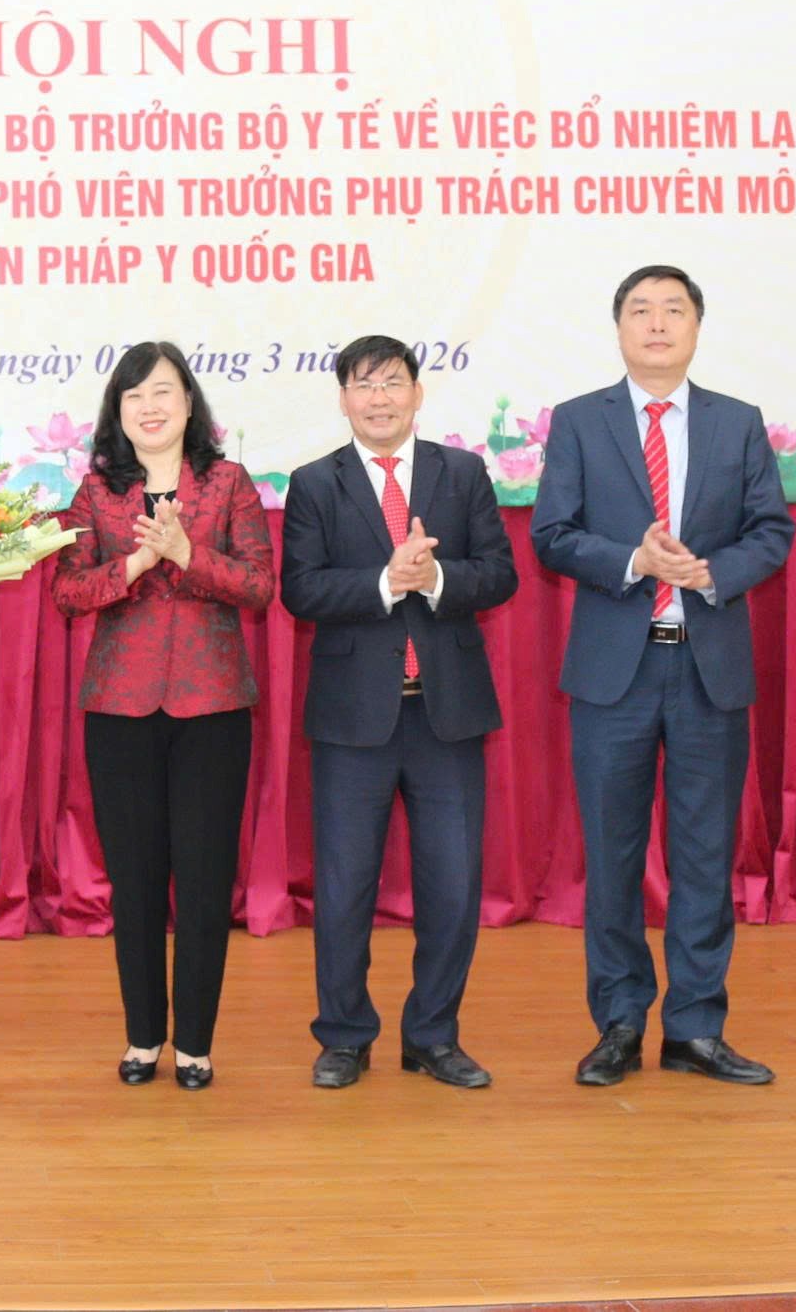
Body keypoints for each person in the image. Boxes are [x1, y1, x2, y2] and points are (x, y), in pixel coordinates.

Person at [529, 266, 796, 1087]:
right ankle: (618, 1023)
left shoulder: (736, 422)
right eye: (641, 310)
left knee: (705, 855)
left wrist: (710, 571)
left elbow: (772, 530)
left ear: (695, 327)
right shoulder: (579, 421)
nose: (656, 323)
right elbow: (551, 533)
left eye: (672, 310)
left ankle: (696, 1027)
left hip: (708, 667)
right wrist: (633, 561)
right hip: (615, 672)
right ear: (619, 328)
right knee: (612, 857)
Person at [281, 335, 516, 1091]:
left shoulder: (462, 473)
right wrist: (385, 581)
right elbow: (301, 589)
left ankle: (434, 1036)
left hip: (448, 716)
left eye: (392, 383)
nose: (378, 398)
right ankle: (344, 1036)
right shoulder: (314, 483)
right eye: (363, 384)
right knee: (344, 888)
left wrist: (436, 575)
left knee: (453, 885)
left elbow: (500, 574)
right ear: (343, 399)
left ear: (418, 393)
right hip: (353, 721)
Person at [50, 341, 273, 1091]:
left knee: (205, 882)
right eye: (134, 395)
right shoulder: (96, 491)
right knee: (136, 881)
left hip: (213, 706)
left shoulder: (228, 482)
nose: (150, 407)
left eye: (163, 392)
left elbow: (259, 585)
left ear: (188, 404)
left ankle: (196, 1043)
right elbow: (68, 592)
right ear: (118, 411)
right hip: (120, 707)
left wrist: (185, 553)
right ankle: (143, 1036)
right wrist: (136, 565)